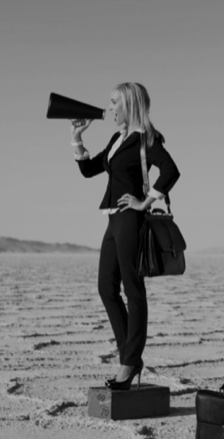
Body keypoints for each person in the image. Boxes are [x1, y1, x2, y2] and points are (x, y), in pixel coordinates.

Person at [70, 83, 179, 390]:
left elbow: (171, 170)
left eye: (115, 102)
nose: (110, 107)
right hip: (113, 220)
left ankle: (129, 362)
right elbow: (90, 170)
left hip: (131, 220)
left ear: (130, 104)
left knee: (133, 290)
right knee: (106, 286)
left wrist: (145, 201)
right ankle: (129, 357)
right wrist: (77, 139)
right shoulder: (118, 139)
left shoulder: (146, 139)